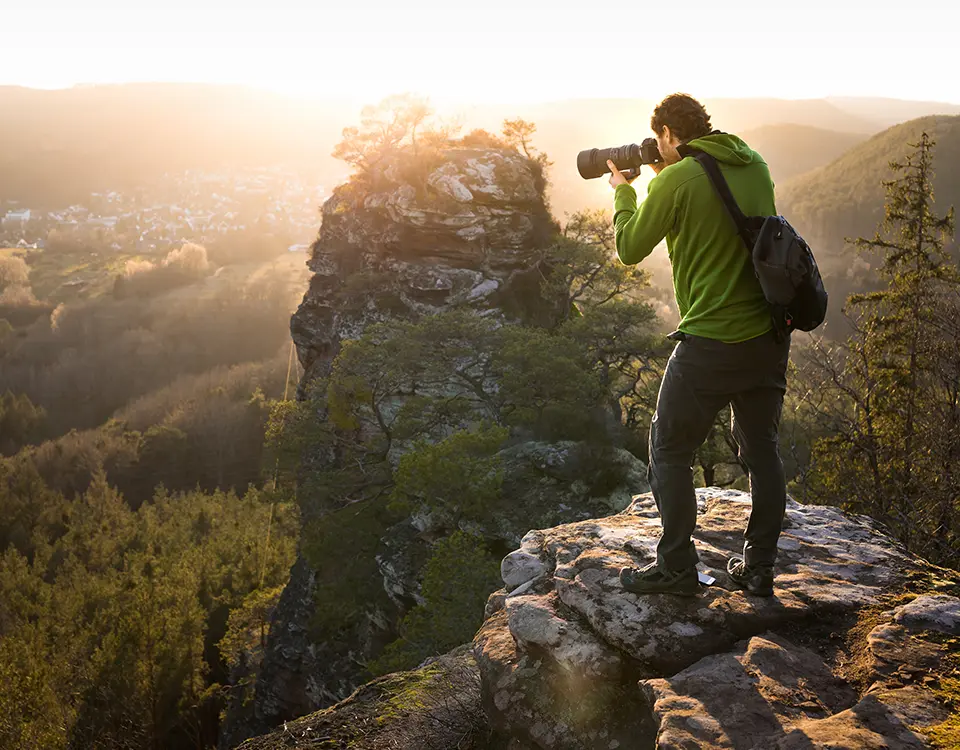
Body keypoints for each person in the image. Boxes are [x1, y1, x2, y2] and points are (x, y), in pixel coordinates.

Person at [610, 93, 789, 597]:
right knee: (762, 450)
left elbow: (629, 248)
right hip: (768, 337)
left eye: (659, 140)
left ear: (668, 134)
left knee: (669, 449)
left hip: (711, 340)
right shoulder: (754, 163)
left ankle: (676, 568)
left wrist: (624, 193)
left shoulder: (676, 179)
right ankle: (759, 568)